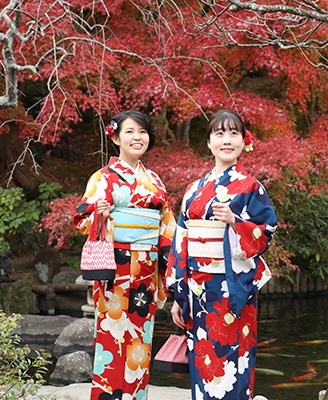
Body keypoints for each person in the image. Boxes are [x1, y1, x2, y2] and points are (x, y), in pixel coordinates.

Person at [166, 110, 277, 400]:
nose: (226, 140)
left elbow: (266, 230)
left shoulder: (252, 186)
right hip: (198, 289)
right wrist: (178, 294)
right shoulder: (193, 190)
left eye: (233, 134)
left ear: (243, 142)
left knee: (234, 362)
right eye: (219, 134)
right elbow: (181, 240)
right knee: (203, 361)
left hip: (233, 288)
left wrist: (234, 220)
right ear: (208, 142)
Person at [73, 110, 176, 400]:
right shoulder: (102, 178)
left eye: (142, 132)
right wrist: (100, 214)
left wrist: (173, 267)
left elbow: (167, 228)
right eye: (130, 131)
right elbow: (81, 219)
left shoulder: (154, 180)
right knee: (112, 340)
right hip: (114, 272)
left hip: (146, 271)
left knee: (140, 346)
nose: (137, 137)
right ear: (116, 136)